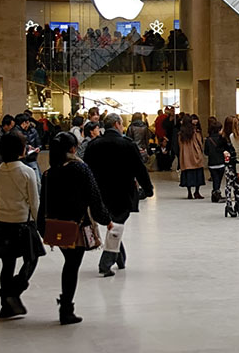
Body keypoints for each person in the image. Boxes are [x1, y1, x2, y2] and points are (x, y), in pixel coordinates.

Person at [38, 132, 113, 324]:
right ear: (73, 149)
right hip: (77, 226)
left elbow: (43, 203)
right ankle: (66, 308)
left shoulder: (49, 173)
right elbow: (94, 198)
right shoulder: (80, 169)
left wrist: (42, 227)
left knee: (69, 264)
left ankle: (66, 305)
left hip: (56, 226)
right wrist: (106, 220)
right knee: (72, 266)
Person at [0, 131, 44, 319]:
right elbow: (34, 203)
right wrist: (42, 228)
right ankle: (12, 292)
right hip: (23, 223)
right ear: (22, 150)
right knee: (32, 258)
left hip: (2, 224)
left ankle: (6, 306)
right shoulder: (27, 172)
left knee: (8, 264)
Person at [84, 113, 154, 277]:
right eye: (121, 124)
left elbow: (86, 171)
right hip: (123, 193)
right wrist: (148, 188)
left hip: (100, 194)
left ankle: (120, 259)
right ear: (116, 124)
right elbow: (139, 168)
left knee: (114, 224)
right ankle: (106, 263)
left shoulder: (94, 145)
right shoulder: (127, 144)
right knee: (116, 225)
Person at [178, 114, 205, 200]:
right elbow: (200, 142)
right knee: (198, 172)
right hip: (195, 154)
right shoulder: (195, 132)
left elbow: (179, 144)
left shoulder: (181, 133)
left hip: (185, 156)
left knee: (187, 173)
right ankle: (197, 192)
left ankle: (189, 192)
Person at [14, 113, 41, 190]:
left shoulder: (33, 131)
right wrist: (27, 147)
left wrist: (38, 148)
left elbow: (38, 143)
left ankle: (38, 198)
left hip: (31, 158)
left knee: (37, 180)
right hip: (20, 159)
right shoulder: (16, 132)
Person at [221, 116, 239, 217]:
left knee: (237, 185)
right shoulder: (223, 137)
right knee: (229, 184)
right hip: (229, 163)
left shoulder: (238, 135)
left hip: (238, 161)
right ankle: (229, 204)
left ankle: (238, 204)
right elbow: (219, 148)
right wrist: (224, 151)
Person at [204, 121, 227, 202]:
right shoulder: (222, 139)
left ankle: (215, 193)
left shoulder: (208, 140)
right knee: (218, 179)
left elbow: (206, 152)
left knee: (215, 179)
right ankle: (216, 193)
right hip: (220, 162)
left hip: (212, 163)